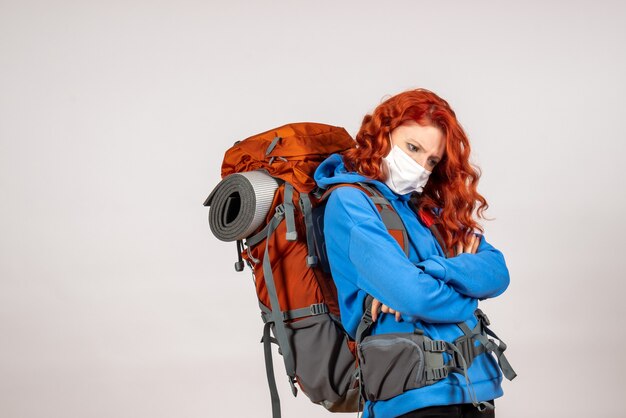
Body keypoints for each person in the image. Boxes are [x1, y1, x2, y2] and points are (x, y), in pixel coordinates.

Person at [313, 88, 511, 418]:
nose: (420, 166)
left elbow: (497, 272)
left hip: (476, 388)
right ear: (381, 136)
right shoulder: (349, 203)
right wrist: (467, 296)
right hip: (412, 395)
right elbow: (414, 296)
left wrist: (436, 269)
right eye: (412, 148)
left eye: (431, 160)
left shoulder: (431, 210)